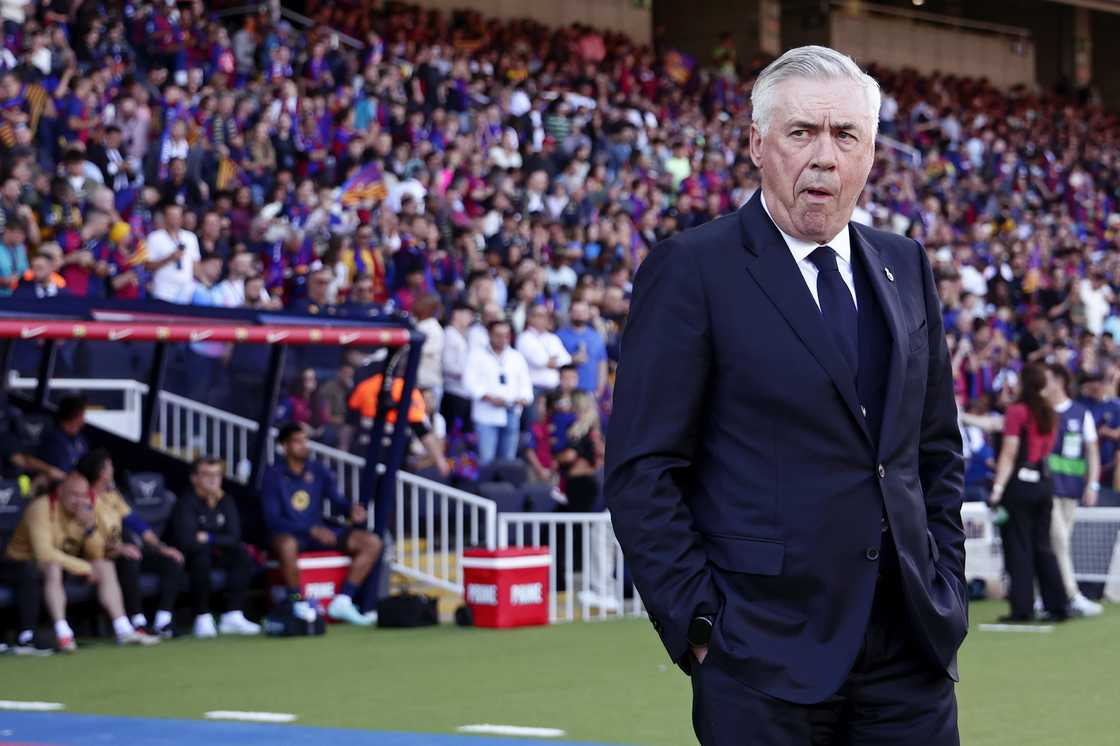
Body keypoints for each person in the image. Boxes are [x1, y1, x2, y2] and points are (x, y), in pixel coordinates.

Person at [606, 47, 966, 744]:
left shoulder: (905, 263)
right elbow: (642, 469)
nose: (824, 157)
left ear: (870, 153)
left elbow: (934, 449)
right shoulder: (692, 269)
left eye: (845, 135)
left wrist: (943, 579)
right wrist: (702, 628)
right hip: (760, 658)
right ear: (757, 144)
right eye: (802, 132)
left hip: (910, 654)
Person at [4, 472, 160, 651]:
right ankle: (63, 633)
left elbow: (96, 553)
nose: (79, 501)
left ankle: (123, 629)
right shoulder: (41, 507)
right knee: (53, 566)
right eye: (74, 495)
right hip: (25, 565)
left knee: (104, 565)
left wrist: (89, 529)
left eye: (83, 495)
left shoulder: (86, 511)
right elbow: (44, 552)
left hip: (65, 564)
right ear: (61, 491)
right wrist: (84, 567)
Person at [260, 423, 383, 626]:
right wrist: (309, 529)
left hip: (317, 533)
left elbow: (337, 500)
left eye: (305, 440)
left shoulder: (317, 470)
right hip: (290, 534)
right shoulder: (273, 475)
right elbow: (272, 519)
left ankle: (343, 600)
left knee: (371, 542)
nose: (304, 445)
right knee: (286, 544)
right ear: (284, 446)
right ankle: (297, 602)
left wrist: (351, 510)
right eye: (297, 441)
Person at [989, 363, 1070, 622]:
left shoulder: (1018, 412)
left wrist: (997, 489)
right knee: (1043, 546)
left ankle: (1022, 607)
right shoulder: (1049, 413)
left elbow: (1009, 453)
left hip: (1020, 486)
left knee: (1019, 546)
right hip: (1043, 483)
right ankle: (1058, 605)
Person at [75, 449, 184, 638]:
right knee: (130, 558)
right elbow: (88, 538)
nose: (113, 469)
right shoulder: (84, 499)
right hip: (101, 556)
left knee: (172, 559)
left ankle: (163, 621)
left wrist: (161, 547)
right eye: (110, 466)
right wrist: (119, 548)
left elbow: (137, 524)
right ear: (102, 472)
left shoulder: (112, 495)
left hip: (122, 549)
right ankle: (137, 621)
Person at [170, 457, 261, 638]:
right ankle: (202, 617)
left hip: (220, 553)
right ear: (194, 478)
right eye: (207, 474)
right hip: (191, 557)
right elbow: (188, 540)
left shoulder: (226, 500)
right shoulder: (186, 502)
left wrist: (208, 537)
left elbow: (234, 537)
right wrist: (215, 539)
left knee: (241, 554)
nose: (213, 480)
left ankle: (233, 615)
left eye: (217, 474)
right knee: (201, 557)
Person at [1043, 364, 1103, 617]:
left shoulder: (1081, 413)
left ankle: (1046, 595)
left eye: (1046, 380)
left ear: (1058, 382)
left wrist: (1093, 484)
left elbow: (1092, 452)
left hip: (1073, 489)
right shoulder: (1041, 412)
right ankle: (1071, 594)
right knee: (1059, 541)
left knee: (1059, 543)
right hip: (1048, 489)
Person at [464, 319, 533, 464]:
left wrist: (523, 398)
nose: (502, 339)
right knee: (486, 460)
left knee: (508, 461)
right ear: (490, 335)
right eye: (498, 335)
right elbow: (468, 383)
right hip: (486, 415)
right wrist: (488, 397)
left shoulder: (516, 357)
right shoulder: (477, 355)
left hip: (511, 412)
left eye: (506, 335)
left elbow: (526, 384)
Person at [516, 303, 572, 396]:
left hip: (554, 388)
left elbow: (567, 359)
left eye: (546, 316)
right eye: (539, 316)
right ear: (530, 318)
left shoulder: (553, 338)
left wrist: (552, 361)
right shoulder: (524, 338)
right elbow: (540, 361)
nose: (544, 319)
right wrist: (552, 360)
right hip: (534, 388)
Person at [556, 300, 608, 397]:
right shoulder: (559, 336)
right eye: (576, 311)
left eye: (583, 312)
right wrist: (572, 359)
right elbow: (554, 362)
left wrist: (600, 390)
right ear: (570, 313)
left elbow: (602, 364)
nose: (579, 315)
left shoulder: (596, 337)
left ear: (588, 314)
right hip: (566, 393)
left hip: (590, 392)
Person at [441, 302, 474, 432]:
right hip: (452, 390)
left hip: (462, 391)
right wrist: (469, 373)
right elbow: (447, 365)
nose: (470, 319)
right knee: (452, 430)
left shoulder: (461, 335)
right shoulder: (450, 334)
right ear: (456, 315)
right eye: (468, 315)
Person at [38, 395, 89, 475]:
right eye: (83, 415)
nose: (84, 420)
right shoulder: (54, 440)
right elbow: (60, 472)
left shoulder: (80, 441)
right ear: (75, 415)